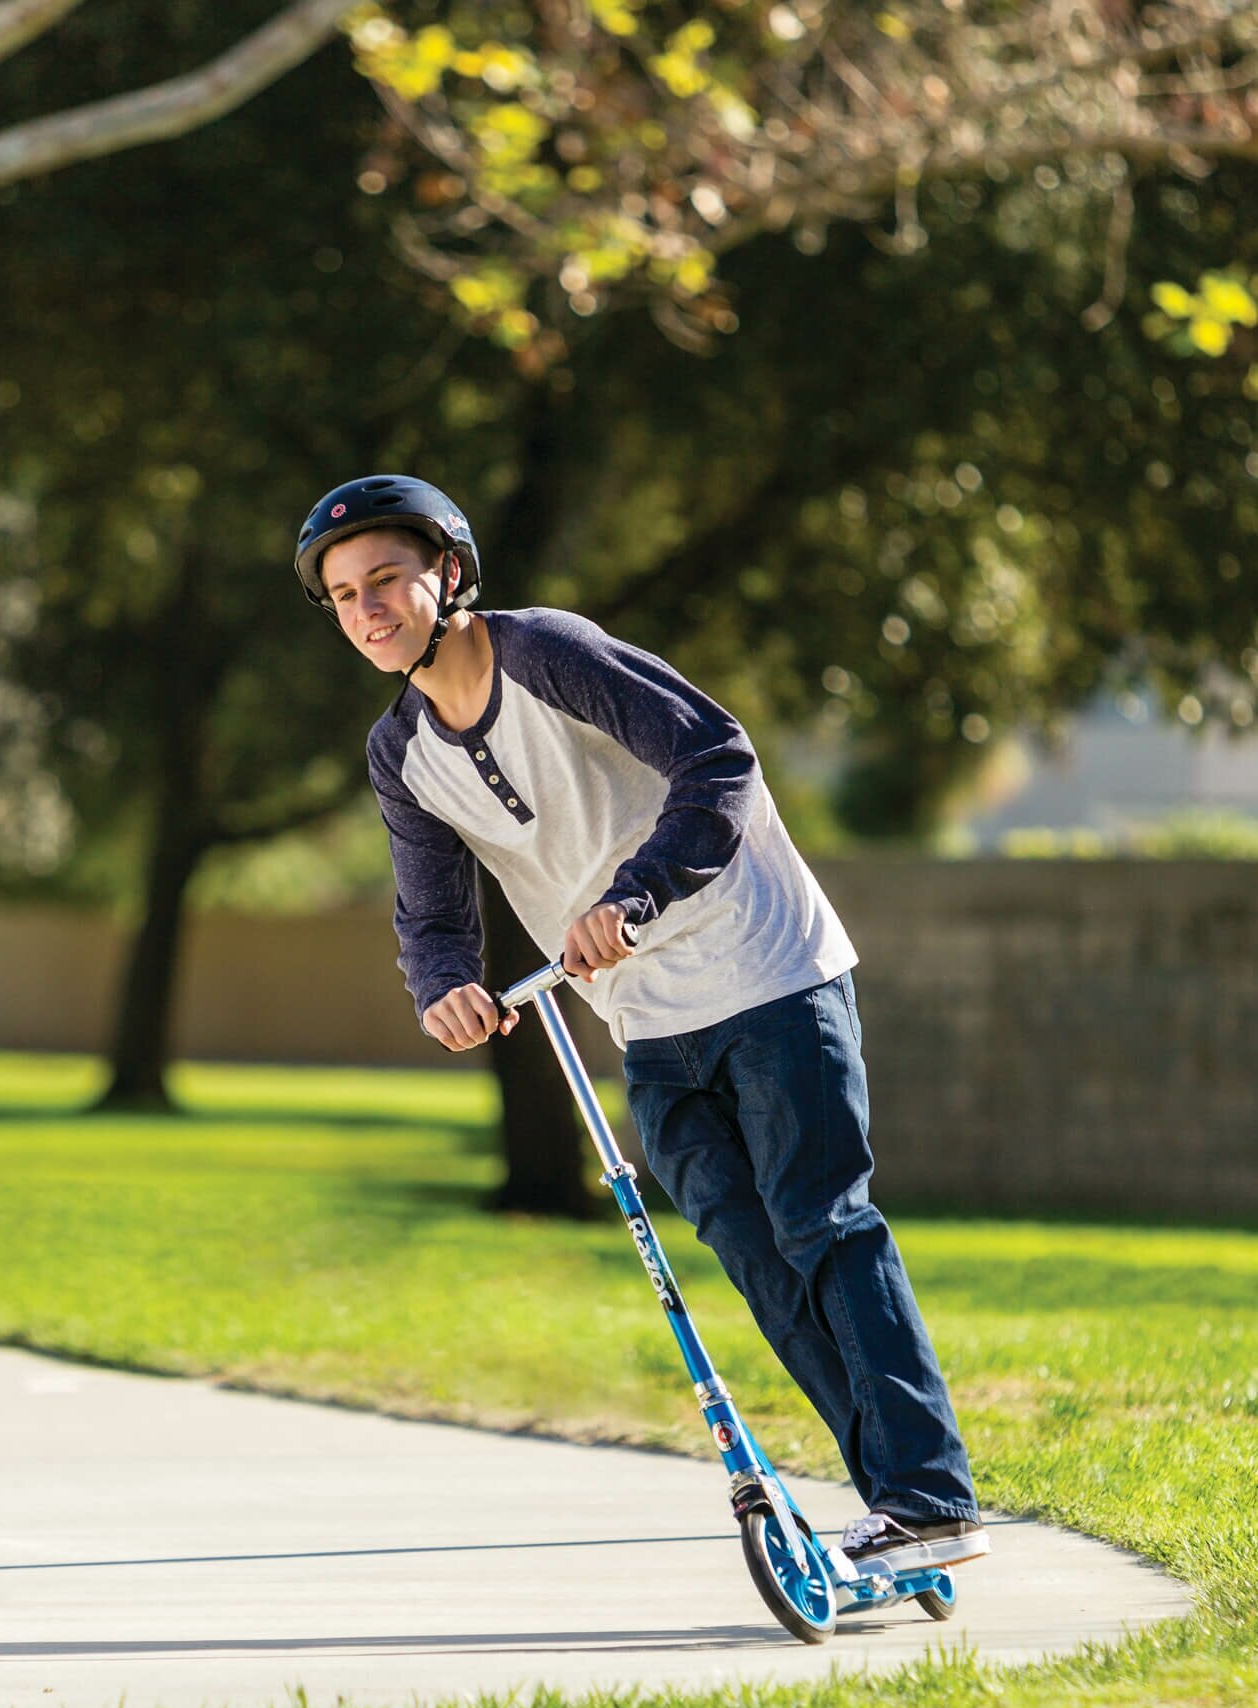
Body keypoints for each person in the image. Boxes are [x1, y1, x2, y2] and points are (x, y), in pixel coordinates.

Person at [295, 474, 988, 1574]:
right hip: (644, 1019)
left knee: (821, 1223)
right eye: (342, 595)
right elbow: (430, 909)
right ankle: (902, 1508)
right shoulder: (401, 754)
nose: (368, 608)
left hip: (765, 970)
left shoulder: (549, 654)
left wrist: (640, 893)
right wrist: (444, 987)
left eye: (386, 577)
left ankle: (925, 1490)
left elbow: (717, 754)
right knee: (755, 1254)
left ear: (448, 573)